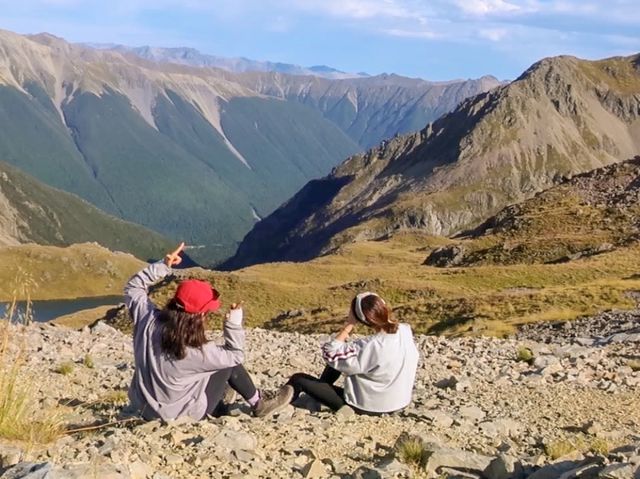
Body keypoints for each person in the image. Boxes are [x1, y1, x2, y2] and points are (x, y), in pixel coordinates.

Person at [124, 242, 293, 421]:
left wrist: (163, 265)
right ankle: (260, 403)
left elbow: (133, 288)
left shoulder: (147, 321)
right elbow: (235, 355)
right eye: (206, 311)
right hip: (181, 415)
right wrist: (234, 325)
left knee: (210, 366)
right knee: (228, 364)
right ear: (199, 315)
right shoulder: (198, 351)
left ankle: (223, 398)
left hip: (142, 408)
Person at [285, 292, 419, 415]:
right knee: (338, 361)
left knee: (299, 379)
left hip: (368, 407)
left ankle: (273, 404)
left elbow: (329, 353)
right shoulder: (405, 330)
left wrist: (349, 325)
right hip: (399, 401)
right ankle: (318, 393)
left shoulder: (369, 346)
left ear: (361, 319)